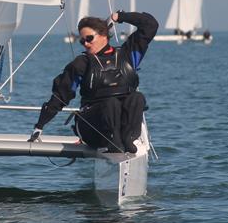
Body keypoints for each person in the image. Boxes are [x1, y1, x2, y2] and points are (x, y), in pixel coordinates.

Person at [28, 11, 158, 153]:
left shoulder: (128, 55)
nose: (86, 44)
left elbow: (150, 25)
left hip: (122, 127)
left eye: (89, 38)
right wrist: (39, 126)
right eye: (82, 41)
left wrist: (120, 17)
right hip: (92, 128)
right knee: (111, 103)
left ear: (103, 34)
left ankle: (127, 139)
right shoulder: (81, 64)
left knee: (137, 98)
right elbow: (60, 97)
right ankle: (114, 142)